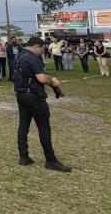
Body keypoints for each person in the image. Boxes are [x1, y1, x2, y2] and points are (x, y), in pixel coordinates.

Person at [13, 37, 71, 172]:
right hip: (34, 96)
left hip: (21, 94)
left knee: (23, 125)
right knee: (44, 128)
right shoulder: (33, 58)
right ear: (36, 46)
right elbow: (41, 78)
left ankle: (24, 156)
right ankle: (50, 160)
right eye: (42, 48)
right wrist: (53, 83)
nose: (42, 51)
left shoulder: (19, 56)